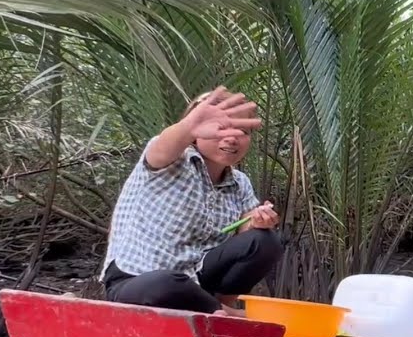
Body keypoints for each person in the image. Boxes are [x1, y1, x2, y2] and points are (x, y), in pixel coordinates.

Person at [100, 87, 281, 316]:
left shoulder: (239, 182)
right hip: (140, 281)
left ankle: (218, 305)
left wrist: (256, 222)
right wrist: (189, 126)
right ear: (196, 132)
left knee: (265, 241)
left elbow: (243, 227)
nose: (232, 137)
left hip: (197, 279)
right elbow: (163, 146)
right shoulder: (172, 160)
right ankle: (226, 314)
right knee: (163, 283)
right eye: (221, 128)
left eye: (243, 131)